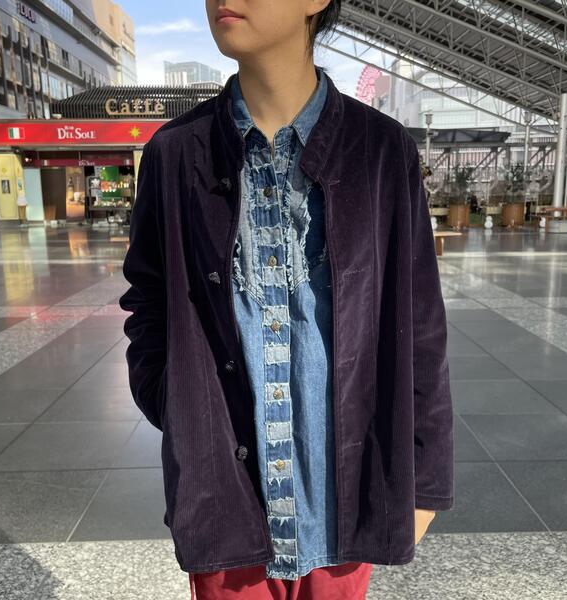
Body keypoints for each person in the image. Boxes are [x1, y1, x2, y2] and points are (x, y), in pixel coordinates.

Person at [119, 1, 454, 599]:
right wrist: (181, 411)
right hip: (225, 508)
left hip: (345, 509)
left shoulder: (382, 151)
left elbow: (421, 326)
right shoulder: (175, 153)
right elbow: (147, 302)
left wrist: (424, 483)